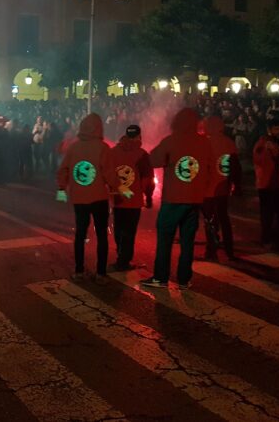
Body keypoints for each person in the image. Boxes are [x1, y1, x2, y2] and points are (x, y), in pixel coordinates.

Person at [140, 108, 213, 290]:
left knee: (165, 240)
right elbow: (210, 168)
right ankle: (184, 279)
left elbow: (154, 160)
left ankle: (161, 277)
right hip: (194, 199)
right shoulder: (205, 143)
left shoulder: (171, 141)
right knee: (187, 242)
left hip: (173, 199)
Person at [56, 113, 121, 283]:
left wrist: (61, 189)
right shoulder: (103, 148)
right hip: (99, 198)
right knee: (101, 235)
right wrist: (120, 188)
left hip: (79, 198)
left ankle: (78, 271)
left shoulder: (73, 148)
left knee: (80, 234)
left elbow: (63, 170)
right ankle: (100, 273)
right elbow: (109, 174)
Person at [108, 125, 154, 271]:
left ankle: (120, 255)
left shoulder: (113, 152)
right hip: (134, 201)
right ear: (139, 136)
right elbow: (148, 179)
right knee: (129, 231)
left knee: (119, 228)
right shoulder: (142, 154)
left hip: (117, 198)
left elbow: (106, 173)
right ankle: (124, 261)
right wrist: (149, 196)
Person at [202, 116, 242, 261]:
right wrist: (236, 185)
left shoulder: (204, 143)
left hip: (207, 189)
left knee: (210, 221)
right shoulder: (229, 142)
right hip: (223, 188)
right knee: (224, 217)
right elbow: (236, 166)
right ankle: (229, 249)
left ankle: (211, 251)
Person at [253, 118, 279, 250]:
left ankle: (276, 238)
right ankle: (267, 239)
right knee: (268, 214)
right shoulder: (264, 143)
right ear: (269, 130)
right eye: (276, 129)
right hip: (267, 184)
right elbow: (260, 161)